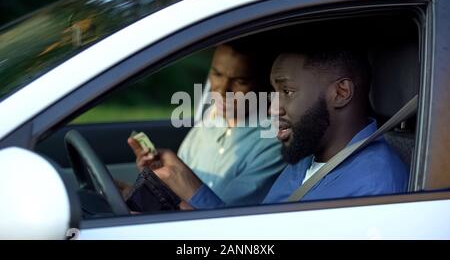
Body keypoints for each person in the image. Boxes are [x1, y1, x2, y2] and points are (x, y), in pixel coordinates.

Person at [135, 47, 409, 209]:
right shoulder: (306, 158)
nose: (271, 108)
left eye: (287, 91)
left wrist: (193, 192)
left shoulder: (373, 185)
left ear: (340, 92)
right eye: (274, 92)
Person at [128, 40, 286, 207]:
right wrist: (157, 176)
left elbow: (224, 220)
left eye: (240, 81)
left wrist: (175, 177)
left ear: (265, 84)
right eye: (217, 74)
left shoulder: (273, 142)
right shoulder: (210, 118)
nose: (222, 89)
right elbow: (173, 191)